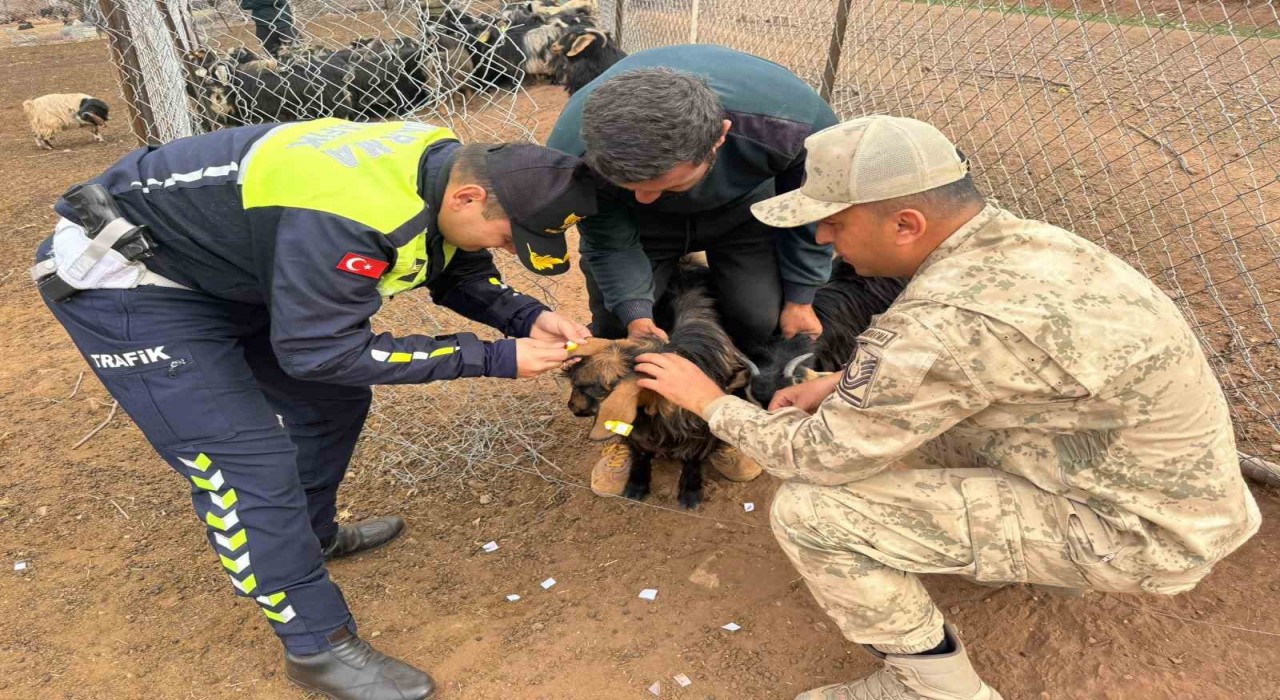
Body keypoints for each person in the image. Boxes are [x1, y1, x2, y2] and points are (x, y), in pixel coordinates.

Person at [631, 115, 1261, 700]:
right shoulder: (1023, 244)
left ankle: (931, 687)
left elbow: (818, 457)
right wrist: (844, 382)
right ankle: (1019, 548)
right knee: (893, 431)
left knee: (811, 509)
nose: (820, 236)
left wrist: (710, 403)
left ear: (906, 224)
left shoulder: (942, 323)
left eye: (835, 221)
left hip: (1140, 532)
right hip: (1161, 487)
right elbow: (983, 369)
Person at [31, 118, 596, 700]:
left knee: (331, 403)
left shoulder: (444, 166)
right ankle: (317, 647)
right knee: (247, 463)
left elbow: (449, 259)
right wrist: (494, 356)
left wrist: (523, 317)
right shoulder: (346, 212)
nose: (503, 249)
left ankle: (308, 534)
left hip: (222, 268)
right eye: (507, 237)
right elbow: (320, 352)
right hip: (131, 279)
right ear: (469, 196)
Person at [545, 44, 839, 496]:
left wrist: (801, 295)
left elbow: (810, 212)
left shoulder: (793, 126)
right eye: (633, 186)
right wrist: (636, 312)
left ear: (720, 136)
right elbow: (607, 240)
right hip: (637, 229)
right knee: (612, 319)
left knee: (757, 316)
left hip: (746, 213)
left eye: (666, 184)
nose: (648, 196)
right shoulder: (574, 147)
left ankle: (724, 422)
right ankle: (626, 433)